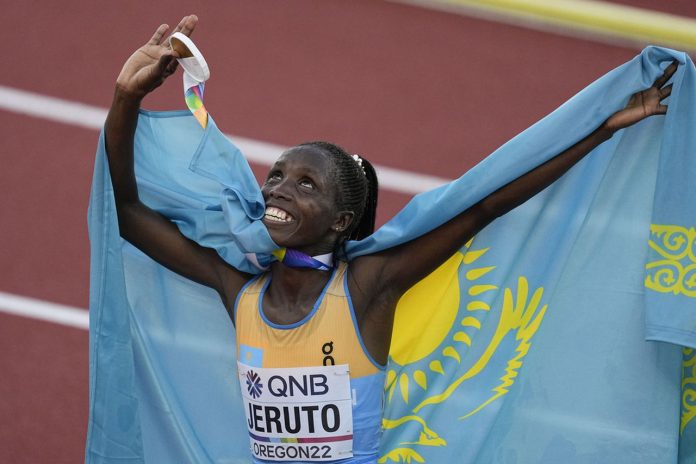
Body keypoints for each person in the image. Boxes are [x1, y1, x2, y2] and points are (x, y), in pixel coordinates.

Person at [104, 14, 677, 464]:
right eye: (275, 176)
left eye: (306, 185)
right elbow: (128, 214)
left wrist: (599, 130)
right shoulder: (241, 293)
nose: (277, 190)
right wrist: (126, 98)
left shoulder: (367, 289)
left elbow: (484, 206)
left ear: (339, 221)